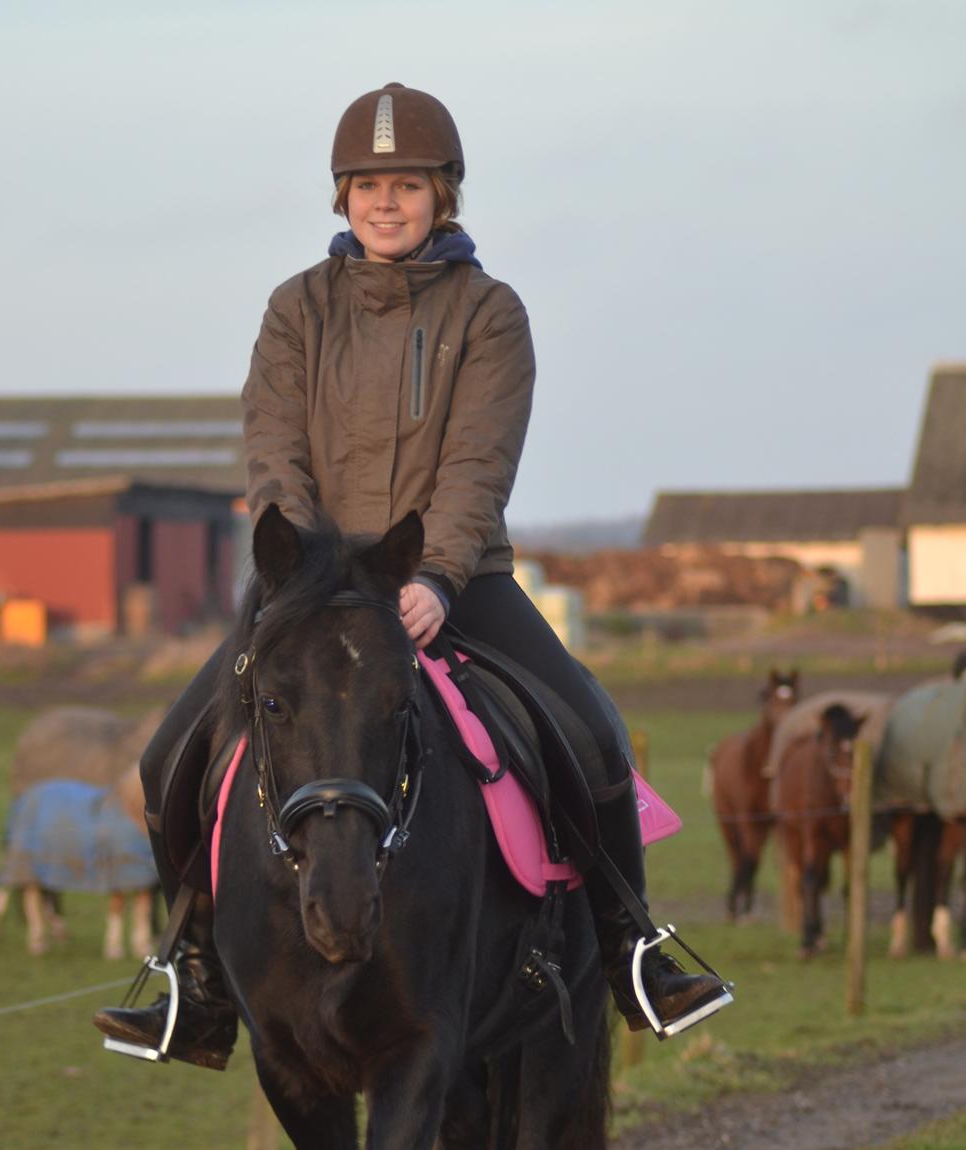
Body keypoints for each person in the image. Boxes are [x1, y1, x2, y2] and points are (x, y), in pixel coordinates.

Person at [95, 82, 730, 1068]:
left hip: (452, 579)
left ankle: (629, 948)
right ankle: (197, 972)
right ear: (341, 196)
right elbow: (272, 447)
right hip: (308, 589)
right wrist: (305, 570)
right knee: (165, 758)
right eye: (366, 185)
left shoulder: (491, 312)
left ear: (444, 195)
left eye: (405, 184)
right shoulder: (293, 308)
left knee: (591, 729)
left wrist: (433, 574)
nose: (384, 202)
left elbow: (479, 460)